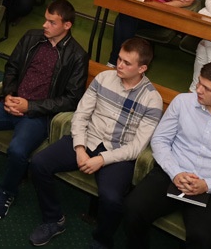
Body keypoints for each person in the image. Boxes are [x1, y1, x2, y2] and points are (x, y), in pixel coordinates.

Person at [0, 0, 87, 221]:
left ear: (67, 25)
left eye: (52, 22)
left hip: (37, 116)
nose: (45, 25)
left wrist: (30, 106)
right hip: (10, 104)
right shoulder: (32, 38)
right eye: (45, 19)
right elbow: (12, 67)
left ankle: (7, 192)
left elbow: (71, 100)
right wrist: (11, 94)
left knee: (17, 150)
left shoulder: (77, 56)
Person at [28, 38, 162, 249]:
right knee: (39, 163)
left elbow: (137, 147)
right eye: (119, 58)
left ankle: (102, 240)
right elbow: (80, 115)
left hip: (118, 153)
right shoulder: (103, 78)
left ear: (142, 68)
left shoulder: (152, 99)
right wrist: (80, 148)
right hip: (87, 139)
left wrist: (101, 159)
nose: (119, 65)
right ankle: (53, 219)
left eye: (127, 63)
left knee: (111, 198)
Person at [123, 61, 211, 249]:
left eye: (206, 88)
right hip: (174, 173)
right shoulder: (182, 102)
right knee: (133, 207)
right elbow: (160, 140)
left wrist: (207, 185)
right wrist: (176, 172)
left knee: (202, 239)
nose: (198, 90)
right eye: (199, 83)